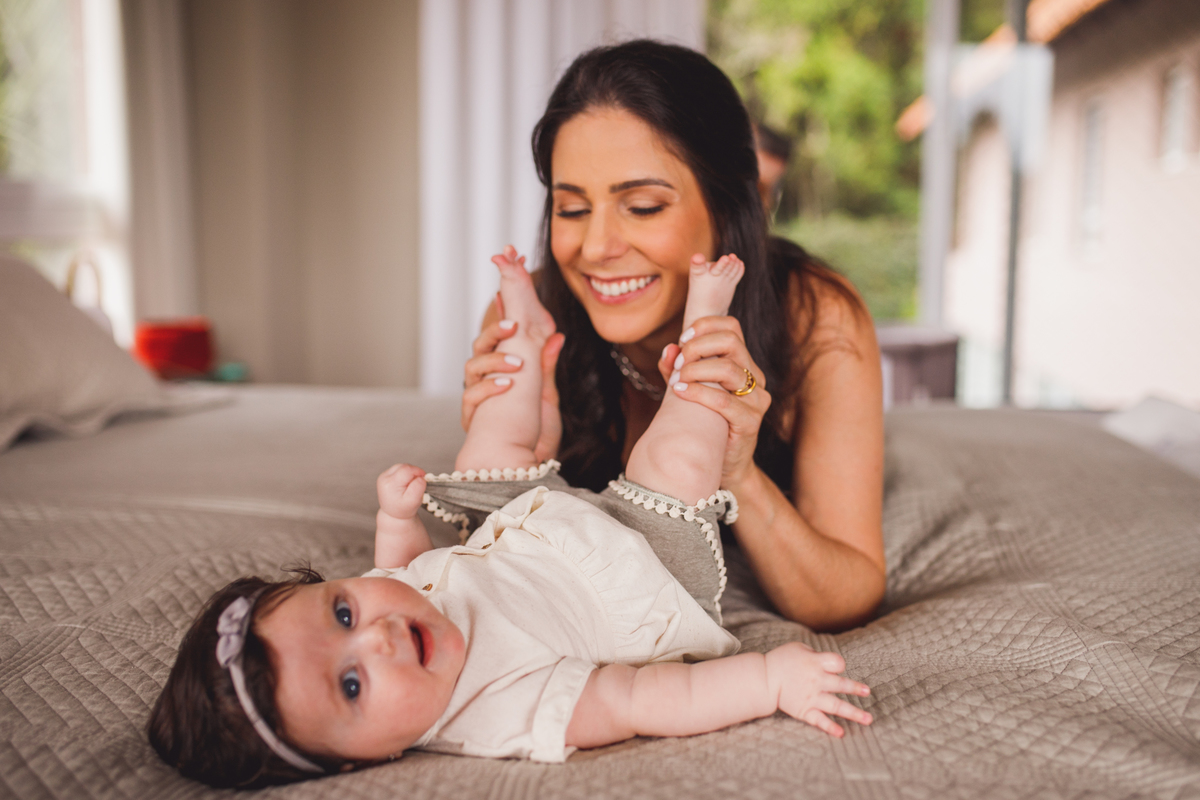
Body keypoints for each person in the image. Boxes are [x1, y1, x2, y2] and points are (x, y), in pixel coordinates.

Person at [147, 251, 872, 788]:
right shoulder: (499, 713)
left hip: (534, 530)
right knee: (681, 456)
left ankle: (524, 339)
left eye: (340, 612)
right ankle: (709, 320)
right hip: (644, 579)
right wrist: (771, 682)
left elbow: (393, 571)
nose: (379, 634)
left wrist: (396, 515)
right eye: (353, 686)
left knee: (488, 446)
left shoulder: (390, 607)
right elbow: (647, 699)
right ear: (363, 760)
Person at [462, 40, 885, 632]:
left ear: (727, 205)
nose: (596, 249)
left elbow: (849, 595)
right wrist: (512, 471)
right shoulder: (529, 320)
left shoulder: (819, 319)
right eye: (573, 210)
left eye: (642, 206)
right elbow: (487, 581)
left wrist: (737, 473)